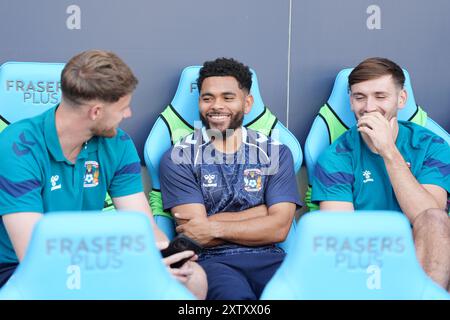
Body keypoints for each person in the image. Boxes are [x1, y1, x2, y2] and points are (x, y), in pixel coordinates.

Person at [0, 49, 207, 299]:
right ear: (96, 112)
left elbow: (142, 225)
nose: (128, 114)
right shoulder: (17, 146)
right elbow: (35, 255)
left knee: (193, 278)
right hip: (22, 270)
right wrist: (132, 272)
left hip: (100, 260)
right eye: (123, 107)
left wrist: (165, 256)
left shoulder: (118, 142)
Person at [159, 57, 301, 300]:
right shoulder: (178, 157)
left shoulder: (276, 152)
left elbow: (279, 229)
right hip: (211, 262)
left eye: (228, 97)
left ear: (247, 103)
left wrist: (212, 225)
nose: (216, 106)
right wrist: (263, 212)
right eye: (207, 98)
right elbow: (195, 233)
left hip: (271, 259)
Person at [311, 57, 450, 292]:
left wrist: (388, 152)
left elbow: (429, 217)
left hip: (431, 254)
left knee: (435, 222)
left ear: (401, 99)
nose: (369, 107)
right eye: (359, 97)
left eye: (380, 96)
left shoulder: (430, 146)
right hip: (368, 257)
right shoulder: (335, 156)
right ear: (351, 101)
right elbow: (341, 234)